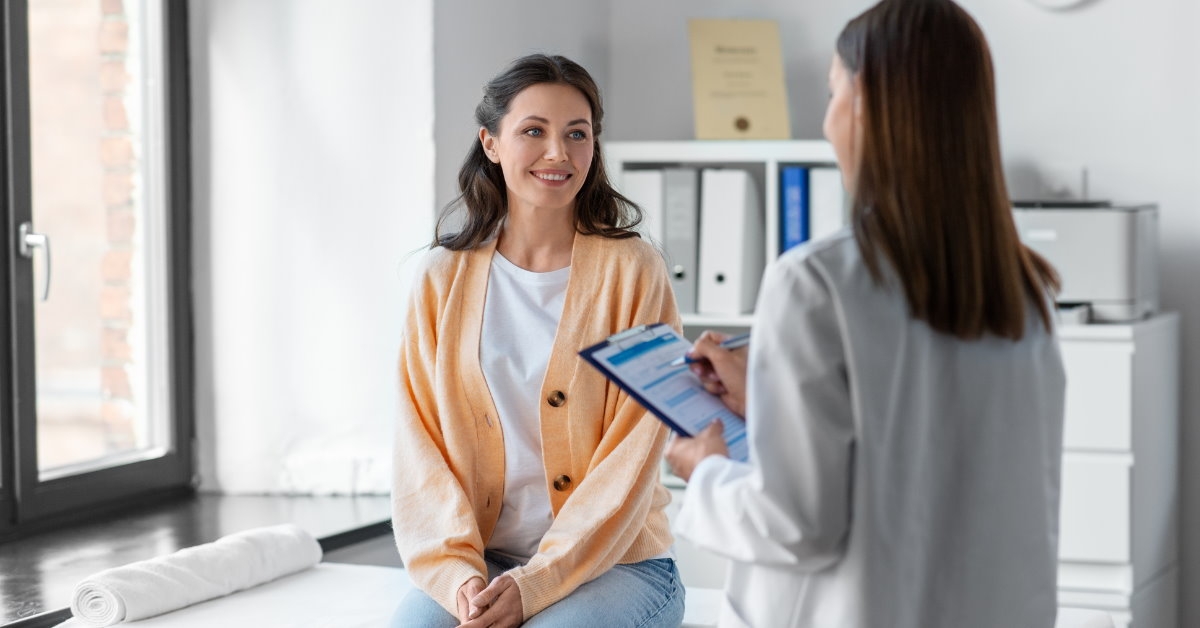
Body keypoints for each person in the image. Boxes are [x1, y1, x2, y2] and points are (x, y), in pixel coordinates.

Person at [664, 1, 1067, 627]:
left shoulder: (816, 281)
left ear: (868, 100)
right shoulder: (1024, 290)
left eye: (832, 93)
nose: (827, 123)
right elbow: (928, 444)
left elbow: (796, 525)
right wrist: (768, 403)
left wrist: (705, 471)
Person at [390, 53, 685, 628]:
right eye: (533, 131)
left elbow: (636, 450)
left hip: (619, 564)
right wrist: (459, 578)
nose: (558, 153)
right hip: (482, 559)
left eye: (577, 134)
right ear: (491, 143)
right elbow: (417, 445)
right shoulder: (440, 278)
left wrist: (538, 584)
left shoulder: (635, 271)